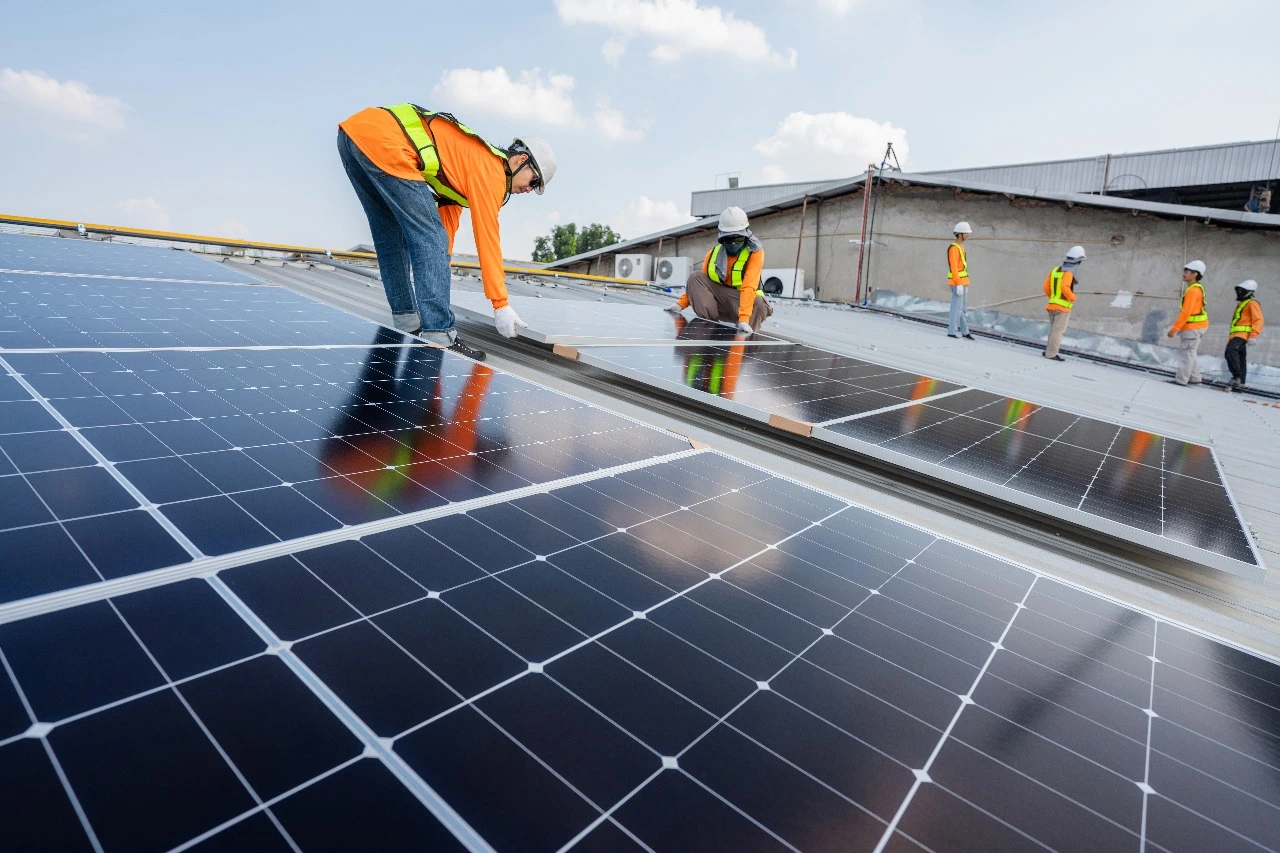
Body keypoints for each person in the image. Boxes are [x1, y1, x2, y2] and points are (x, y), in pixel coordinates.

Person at [337, 103, 558, 359]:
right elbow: (487, 239)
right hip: (387, 142)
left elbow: (444, 233)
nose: (530, 189)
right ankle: (439, 334)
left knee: (390, 236)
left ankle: (408, 322)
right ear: (522, 160)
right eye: (534, 181)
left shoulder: (466, 166)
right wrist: (501, 305)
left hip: (353, 135)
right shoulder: (491, 172)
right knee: (425, 238)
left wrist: (440, 269)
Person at [666, 206, 772, 334]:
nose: (733, 243)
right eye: (729, 239)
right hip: (721, 305)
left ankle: (746, 341)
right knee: (695, 277)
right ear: (722, 237)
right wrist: (680, 304)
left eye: (738, 238)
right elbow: (698, 286)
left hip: (748, 307)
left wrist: (743, 318)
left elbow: (749, 286)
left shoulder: (755, 253)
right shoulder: (712, 255)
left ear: (746, 235)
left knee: (758, 301)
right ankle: (710, 330)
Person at [1167, 260, 1209, 385]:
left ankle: (1181, 380)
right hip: (1195, 327)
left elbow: (1186, 312)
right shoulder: (1195, 289)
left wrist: (1174, 329)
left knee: (1187, 354)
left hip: (1193, 328)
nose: (1184, 273)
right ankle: (1195, 378)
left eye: (1187, 271)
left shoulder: (1193, 291)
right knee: (1190, 352)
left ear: (1195, 274)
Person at [1043, 246, 1086, 361]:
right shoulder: (1069, 273)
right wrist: (1072, 298)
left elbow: (1046, 287)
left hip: (1051, 305)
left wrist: (1053, 298)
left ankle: (1048, 351)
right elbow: (1064, 286)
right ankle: (1051, 354)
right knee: (1058, 332)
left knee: (1053, 330)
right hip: (1062, 308)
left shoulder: (1055, 270)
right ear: (1077, 261)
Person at [1225, 280, 1264, 389]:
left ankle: (1236, 377)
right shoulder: (1241, 304)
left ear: (1248, 292)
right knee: (1241, 358)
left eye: (1240, 291)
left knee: (1230, 351)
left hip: (1242, 335)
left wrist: (1253, 336)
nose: (1238, 293)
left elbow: (1258, 320)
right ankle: (1240, 382)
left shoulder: (1252, 303)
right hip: (1236, 335)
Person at [947, 222, 975, 340]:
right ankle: (952, 331)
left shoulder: (961, 247)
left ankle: (965, 331)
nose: (968, 235)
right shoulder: (954, 248)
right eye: (966, 233)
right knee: (956, 308)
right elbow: (954, 267)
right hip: (957, 283)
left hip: (962, 283)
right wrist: (958, 283)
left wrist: (964, 284)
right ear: (960, 234)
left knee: (962, 309)